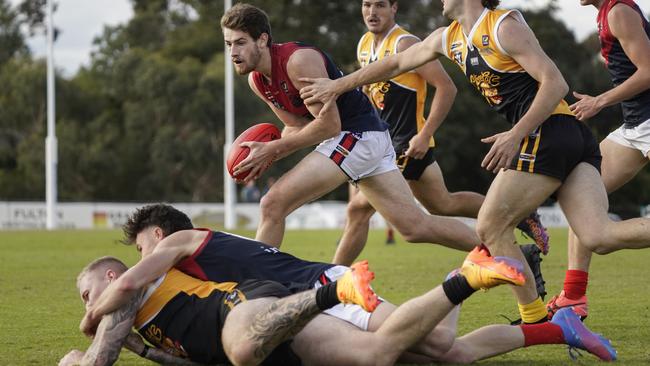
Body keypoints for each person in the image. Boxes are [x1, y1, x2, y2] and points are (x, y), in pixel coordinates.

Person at [299, 0, 650, 325]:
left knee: (489, 227)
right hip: (567, 136)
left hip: (549, 132)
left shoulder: (503, 26)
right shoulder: (447, 37)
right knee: (597, 235)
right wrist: (338, 86)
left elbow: (555, 83)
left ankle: (536, 320)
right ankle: (541, 315)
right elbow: (394, 63)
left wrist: (516, 134)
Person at [77, 204, 614, 365]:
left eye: (141, 245)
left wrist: (90, 316)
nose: (141, 258)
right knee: (442, 357)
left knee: (434, 345)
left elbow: (125, 288)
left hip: (329, 286)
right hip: (314, 291)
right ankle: (555, 328)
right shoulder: (198, 258)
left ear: (157, 231)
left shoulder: (177, 243)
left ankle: (466, 276)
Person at [221, 2, 480, 254]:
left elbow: (329, 126)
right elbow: (295, 126)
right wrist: (262, 155)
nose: (233, 52)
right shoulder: (258, 81)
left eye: (240, 42)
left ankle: (259, 285)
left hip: (356, 135)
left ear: (263, 40)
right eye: (229, 44)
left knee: (272, 204)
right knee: (415, 228)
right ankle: (501, 252)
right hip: (367, 138)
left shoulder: (297, 62)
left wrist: (273, 149)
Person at [66, 251, 615, 365]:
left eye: (87, 293)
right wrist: (146, 350)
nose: (87, 308)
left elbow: (93, 363)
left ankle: (338, 291)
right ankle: (551, 327)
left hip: (252, 308)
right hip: (280, 315)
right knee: (425, 356)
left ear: (111, 278)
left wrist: (76, 351)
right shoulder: (138, 319)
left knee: (240, 350)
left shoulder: (128, 292)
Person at [336, 0, 548, 266]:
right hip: (384, 144)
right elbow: (372, 96)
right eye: (367, 5)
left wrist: (425, 134)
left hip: (406, 144)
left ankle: (329, 283)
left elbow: (446, 88)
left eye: (380, 5)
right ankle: (517, 227)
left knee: (358, 210)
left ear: (394, 9)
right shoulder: (364, 44)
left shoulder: (405, 44)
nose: (371, 12)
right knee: (442, 204)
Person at [546, 0, 650, 319]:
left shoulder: (618, 12)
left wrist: (600, 102)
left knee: (585, 203)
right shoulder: (606, 13)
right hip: (636, 126)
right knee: (581, 194)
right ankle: (573, 296)